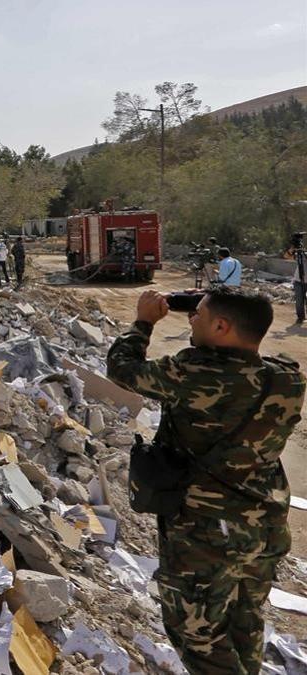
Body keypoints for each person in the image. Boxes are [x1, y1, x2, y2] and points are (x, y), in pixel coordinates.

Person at [106, 287, 305, 674]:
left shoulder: (190, 372)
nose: (191, 319)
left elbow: (121, 368)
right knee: (244, 625)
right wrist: (204, 304)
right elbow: (234, 343)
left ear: (221, 326)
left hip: (206, 537)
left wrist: (144, 322)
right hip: (263, 532)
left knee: (198, 637)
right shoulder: (288, 380)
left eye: (197, 314)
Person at [289, 238, 305, 323]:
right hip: (298, 281)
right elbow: (286, 256)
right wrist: (293, 248)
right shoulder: (301, 254)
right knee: (299, 301)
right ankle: (300, 317)